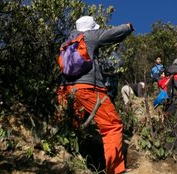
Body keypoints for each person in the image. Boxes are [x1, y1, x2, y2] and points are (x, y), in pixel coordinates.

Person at [57, 16, 134, 174]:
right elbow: (111, 33)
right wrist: (127, 27)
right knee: (112, 126)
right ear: (91, 28)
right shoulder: (89, 36)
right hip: (88, 89)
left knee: (69, 125)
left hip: (65, 89)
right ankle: (115, 170)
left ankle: (64, 158)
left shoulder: (66, 43)